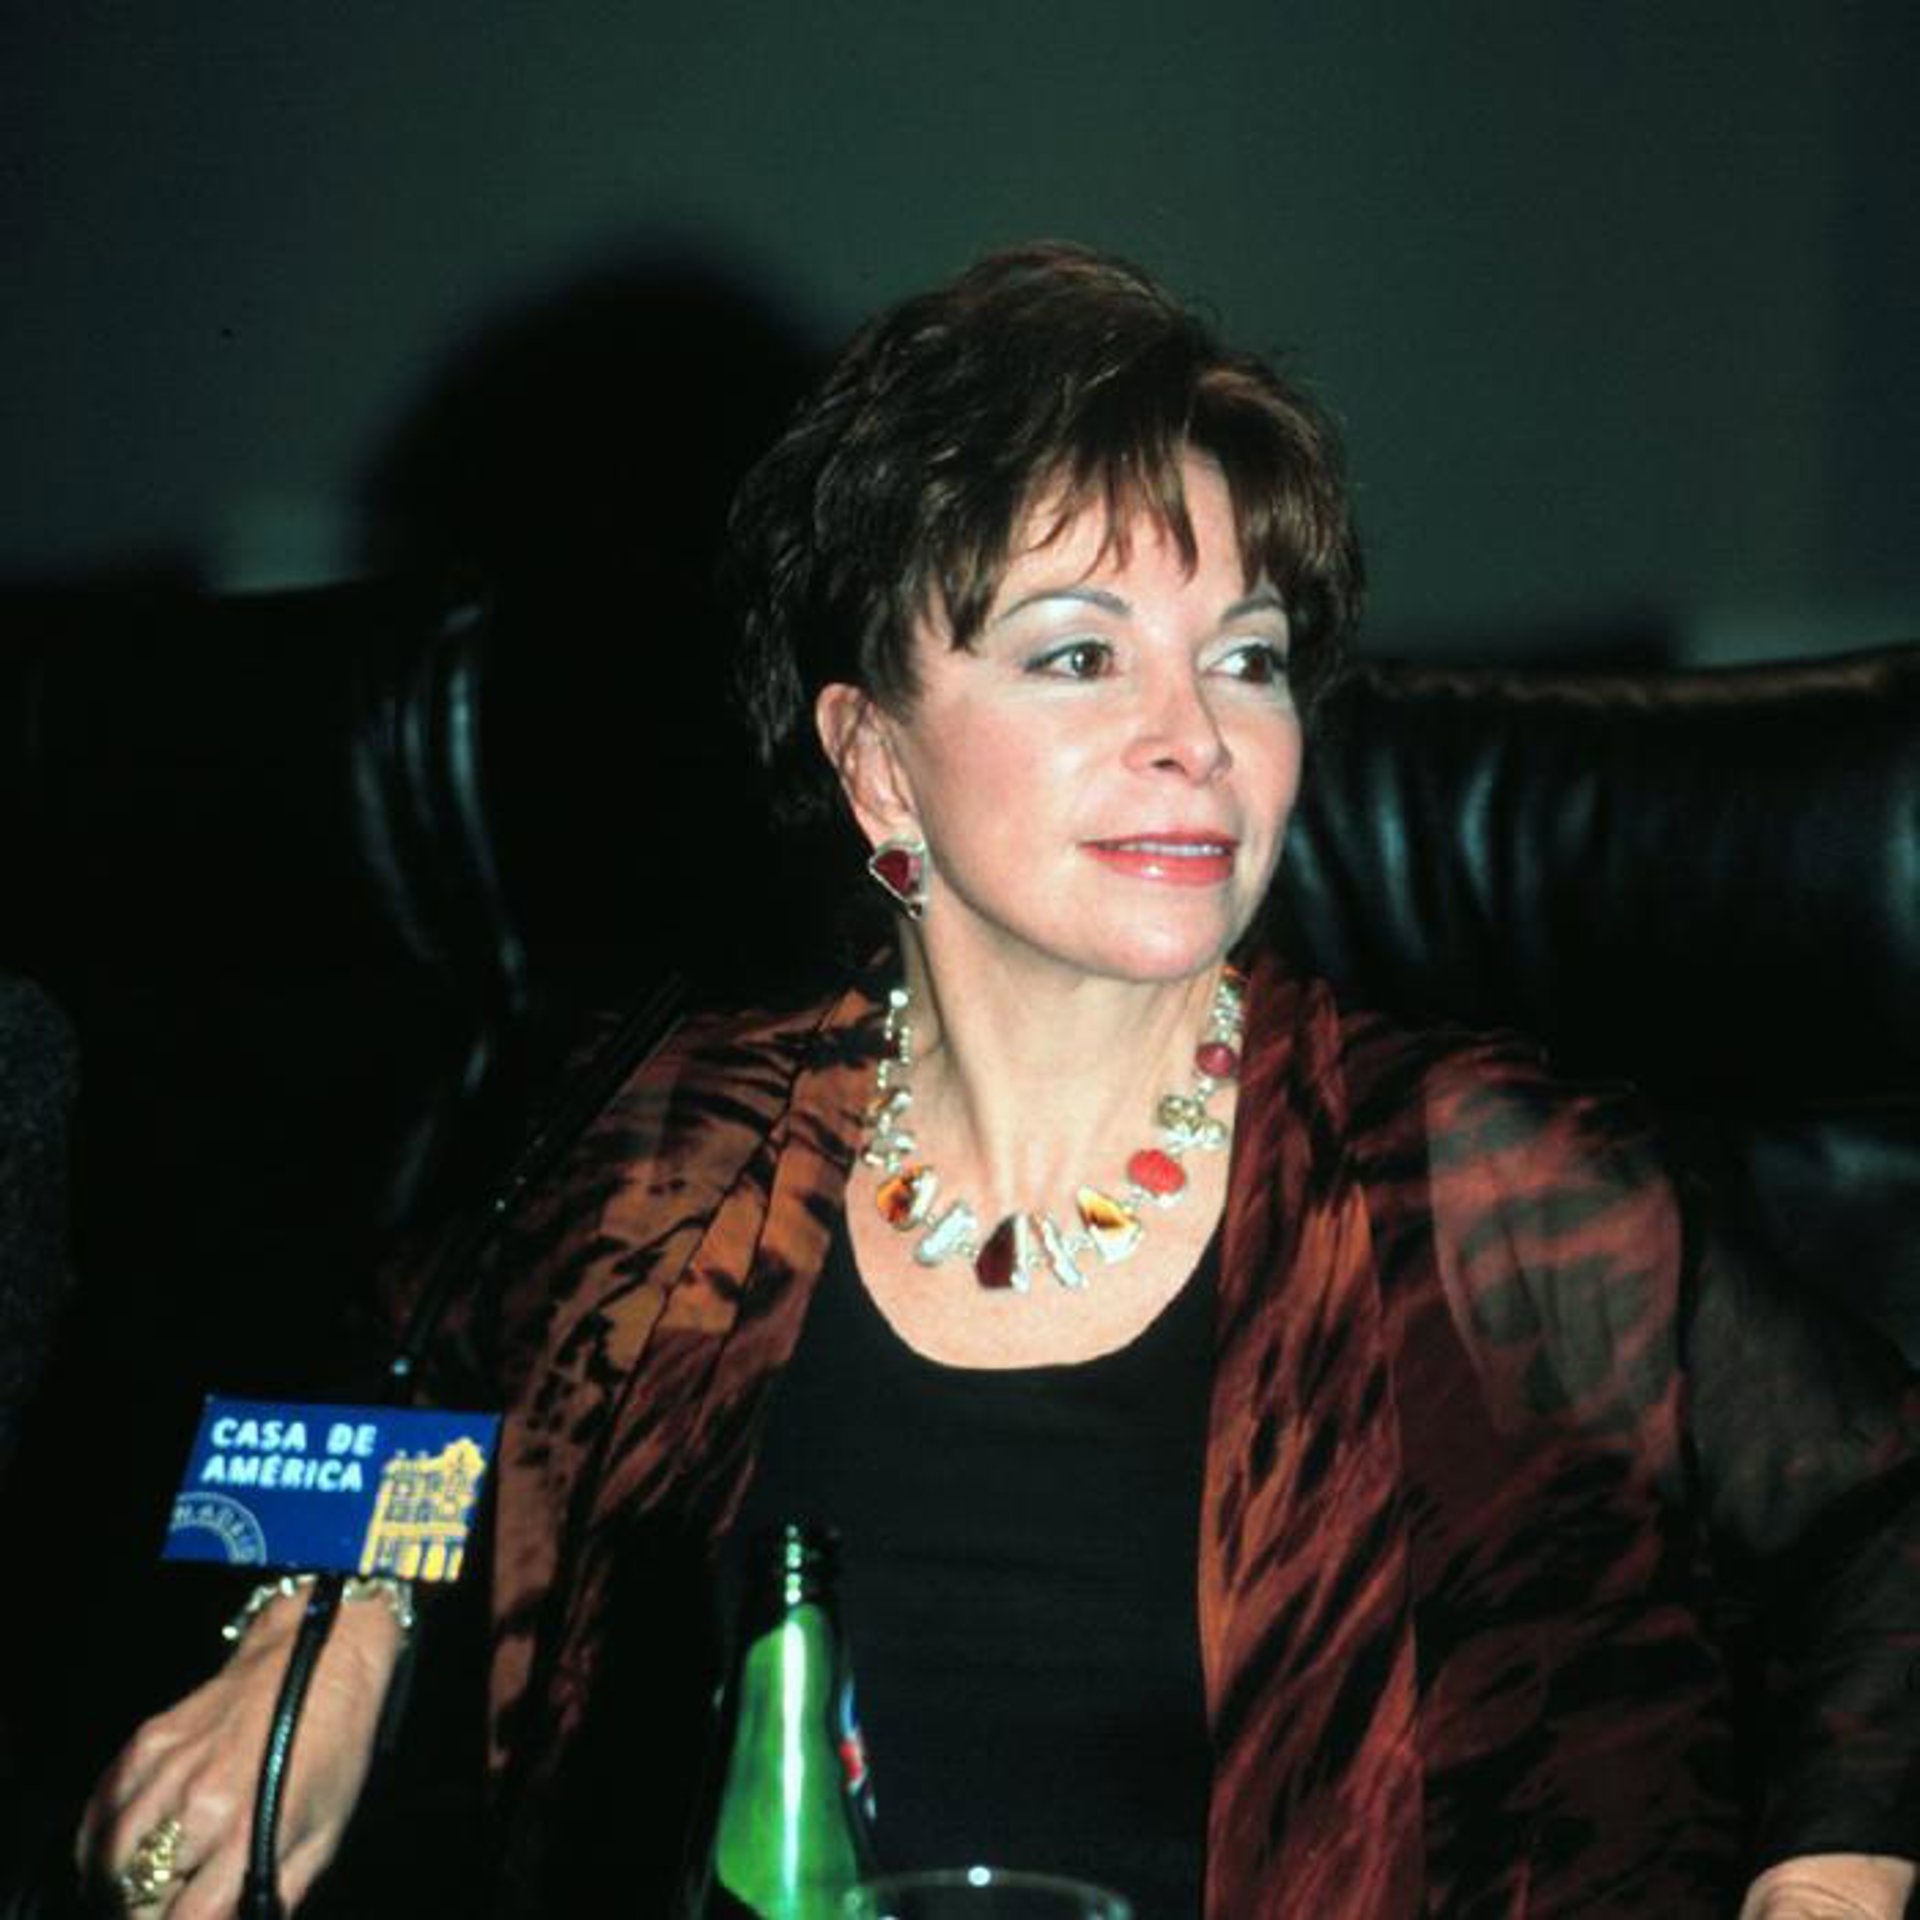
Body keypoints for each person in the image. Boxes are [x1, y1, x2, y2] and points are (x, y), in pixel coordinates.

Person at [78, 243, 1919, 1917]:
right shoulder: (677, 1146)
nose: (1196, 738)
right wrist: (317, 1636)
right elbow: (400, 1360)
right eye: (1080, 655)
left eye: (1248, 661)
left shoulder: (1475, 1179)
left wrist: (1831, 1881)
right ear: (878, 764)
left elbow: (1888, 1514)